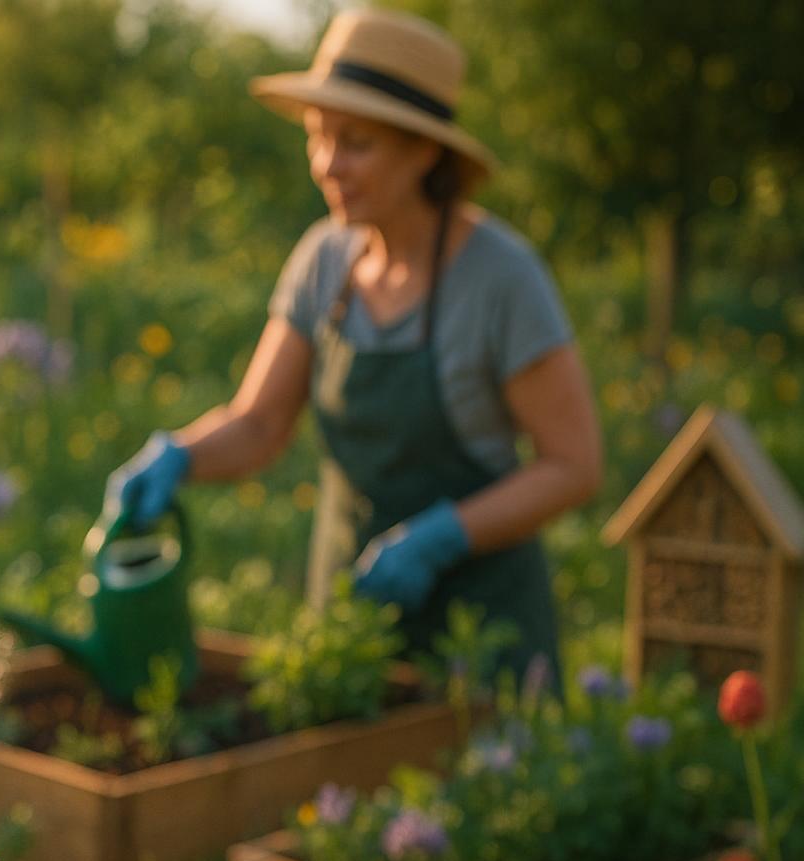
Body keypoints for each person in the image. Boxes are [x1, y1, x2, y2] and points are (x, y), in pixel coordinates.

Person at [106, 8, 602, 687]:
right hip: (350, 624)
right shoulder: (324, 261)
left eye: (356, 143)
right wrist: (180, 455)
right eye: (317, 138)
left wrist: (442, 537)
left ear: (424, 150)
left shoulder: (500, 278)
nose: (326, 165)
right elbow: (258, 425)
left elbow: (574, 465)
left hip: (482, 636)